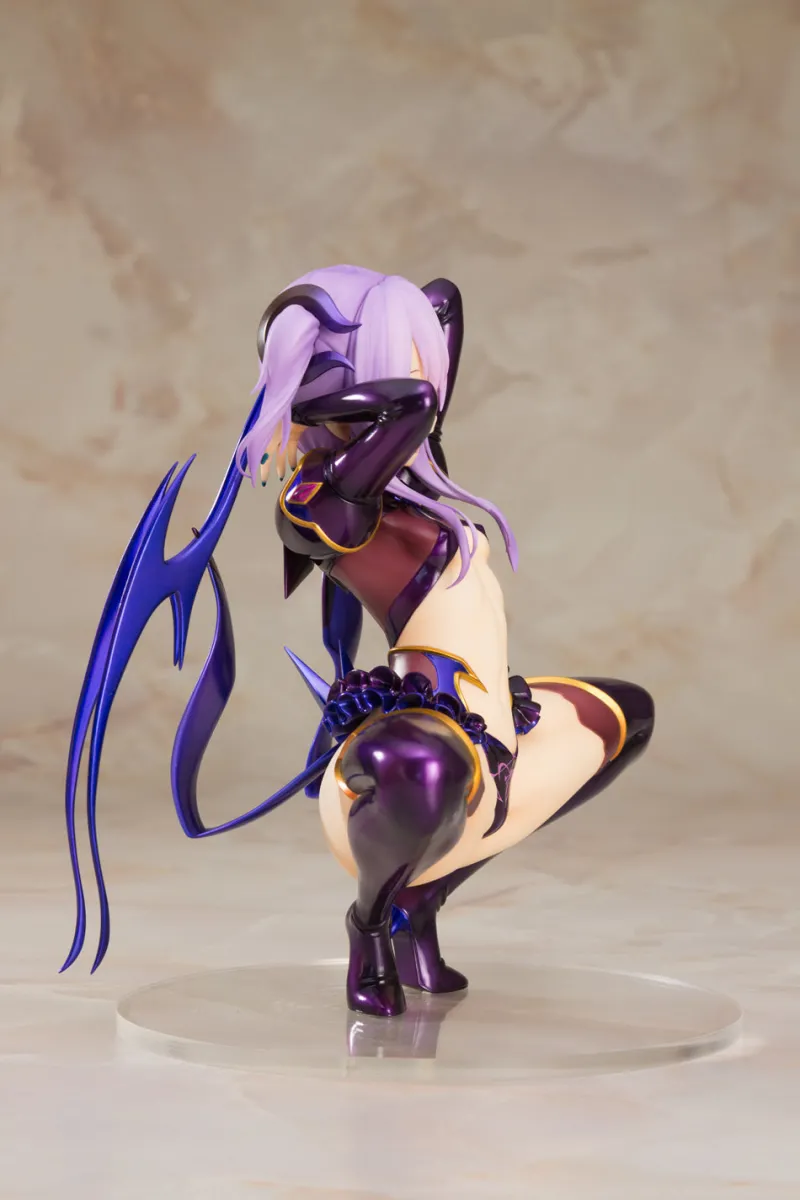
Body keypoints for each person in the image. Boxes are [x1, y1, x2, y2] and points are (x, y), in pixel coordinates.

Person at [62, 266, 654, 1020]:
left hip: (498, 717)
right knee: (424, 768)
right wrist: (303, 393)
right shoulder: (316, 501)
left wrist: (397, 324)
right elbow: (413, 404)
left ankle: (420, 899)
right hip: (427, 734)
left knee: (627, 716)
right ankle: (369, 925)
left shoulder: (413, 478)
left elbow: (445, 308)